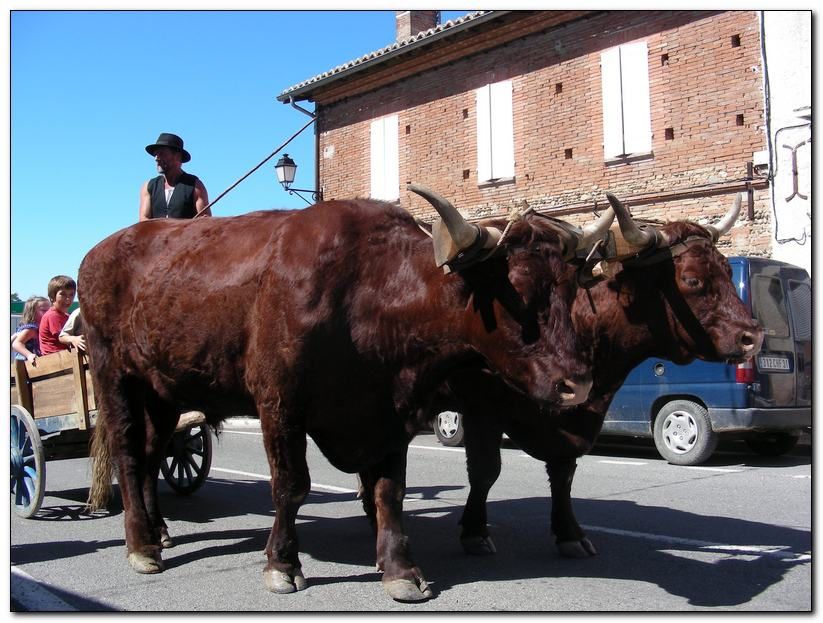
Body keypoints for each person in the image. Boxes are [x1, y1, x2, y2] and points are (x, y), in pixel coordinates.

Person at [139, 133, 210, 221]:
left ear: (177, 157)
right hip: (155, 235)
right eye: (156, 154)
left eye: (162, 153)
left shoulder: (195, 186)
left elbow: (205, 222)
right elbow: (143, 220)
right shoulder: (149, 186)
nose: (156, 158)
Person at [38, 275, 76, 356]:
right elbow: (63, 337)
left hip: (65, 356)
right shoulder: (52, 316)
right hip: (55, 359)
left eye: (71, 294)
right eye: (63, 294)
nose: (68, 299)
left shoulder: (66, 316)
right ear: (52, 297)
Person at [12, 296, 50, 364]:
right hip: (28, 364)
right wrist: (29, 355)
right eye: (44, 310)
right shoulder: (32, 329)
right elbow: (16, 343)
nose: (48, 313)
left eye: (49, 310)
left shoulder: (41, 327)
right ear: (32, 312)